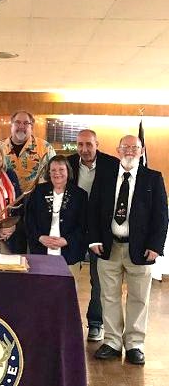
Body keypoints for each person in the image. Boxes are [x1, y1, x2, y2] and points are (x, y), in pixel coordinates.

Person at [89, 135, 168, 365]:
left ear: (142, 151)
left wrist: (155, 246)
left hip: (141, 250)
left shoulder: (153, 178)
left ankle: (135, 344)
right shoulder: (104, 176)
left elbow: (161, 216)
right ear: (117, 150)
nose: (130, 151)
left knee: (139, 298)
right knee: (109, 296)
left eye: (135, 147)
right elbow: (93, 209)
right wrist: (93, 239)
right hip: (109, 246)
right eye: (126, 147)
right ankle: (112, 342)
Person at [67, 129, 119, 342]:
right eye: (80, 144)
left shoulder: (111, 164)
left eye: (89, 144)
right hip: (72, 230)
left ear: (97, 143)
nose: (84, 149)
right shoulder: (68, 163)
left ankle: (96, 323)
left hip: (100, 230)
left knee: (99, 281)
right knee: (67, 278)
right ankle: (68, 323)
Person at [26, 155, 88, 281]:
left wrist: (67, 240)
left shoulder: (80, 195)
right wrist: (40, 237)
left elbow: (84, 225)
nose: (57, 173)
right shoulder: (38, 191)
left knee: (67, 293)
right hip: (41, 252)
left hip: (69, 253)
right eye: (53, 170)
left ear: (68, 171)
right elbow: (29, 220)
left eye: (61, 169)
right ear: (49, 172)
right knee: (42, 292)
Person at [2, 110, 56, 253]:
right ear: (11, 125)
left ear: (32, 126)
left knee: (37, 248)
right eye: (17, 123)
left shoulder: (45, 148)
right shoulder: (0, 149)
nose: (22, 126)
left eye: (26, 123)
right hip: (10, 207)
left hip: (38, 205)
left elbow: (55, 178)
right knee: (13, 249)